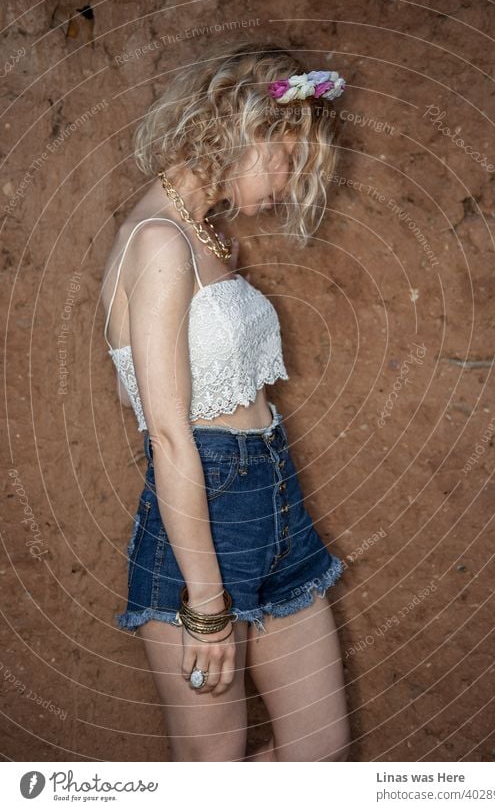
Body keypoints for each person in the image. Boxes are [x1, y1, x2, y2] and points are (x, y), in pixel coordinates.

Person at [101, 40, 351, 762]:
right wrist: (206, 601)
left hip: (278, 499)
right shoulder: (158, 241)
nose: (285, 187)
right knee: (213, 780)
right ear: (248, 129)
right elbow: (172, 436)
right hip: (202, 528)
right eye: (288, 161)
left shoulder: (205, 233)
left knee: (319, 752)